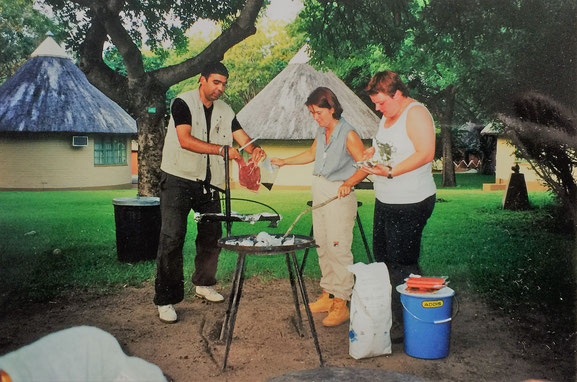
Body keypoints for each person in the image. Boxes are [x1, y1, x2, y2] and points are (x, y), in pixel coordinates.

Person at [154, 61, 265, 324]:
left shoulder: (225, 109)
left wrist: (253, 149)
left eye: (224, 84)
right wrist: (221, 150)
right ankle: (166, 299)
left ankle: (204, 284)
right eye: (216, 82)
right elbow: (185, 139)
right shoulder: (182, 103)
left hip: (210, 182)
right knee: (172, 238)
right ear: (202, 80)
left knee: (211, 236)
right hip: (178, 178)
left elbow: (241, 136)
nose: (220, 88)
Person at [271, 87, 366, 327]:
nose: (315, 117)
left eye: (318, 112)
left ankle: (341, 303)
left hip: (339, 194)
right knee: (322, 245)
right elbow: (312, 153)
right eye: (312, 113)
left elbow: (366, 165)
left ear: (332, 108)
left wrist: (348, 183)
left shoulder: (349, 134)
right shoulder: (322, 130)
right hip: (320, 188)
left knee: (338, 247)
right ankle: (328, 294)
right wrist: (284, 162)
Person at [360, 70, 436, 331]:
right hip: (386, 199)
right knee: (383, 260)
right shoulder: (387, 117)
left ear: (399, 94)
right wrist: (372, 154)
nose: (378, 109)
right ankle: (393, 316)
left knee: (402, 263)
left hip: (411, 200)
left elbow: (426, 153)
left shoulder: (415, 113)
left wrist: (392, 172)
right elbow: (386, 150)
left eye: (381, 102)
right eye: (375, 103)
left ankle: (410, 323)